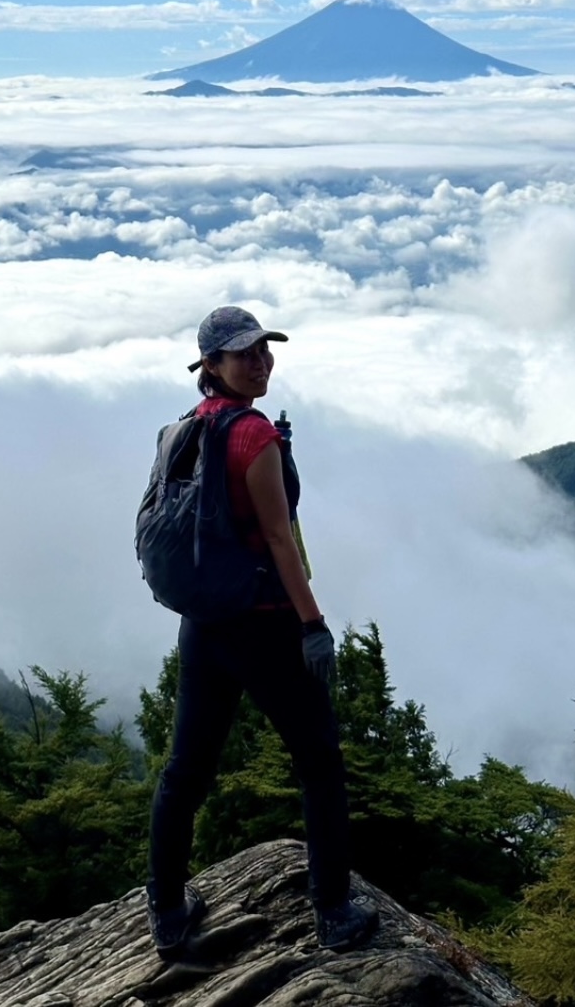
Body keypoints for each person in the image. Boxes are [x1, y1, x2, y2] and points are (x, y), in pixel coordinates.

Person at [146, 305, 379, 959]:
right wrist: (314, 625)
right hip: (265, 624)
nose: (260, 362)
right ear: (211, 364)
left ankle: (167, 910)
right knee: (320, 765)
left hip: (204, 624)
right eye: (244, 353)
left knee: (186, 770)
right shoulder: (253, 437)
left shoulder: (185, 428)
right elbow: (279, 541)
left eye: (263, 350)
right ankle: (333, 912)